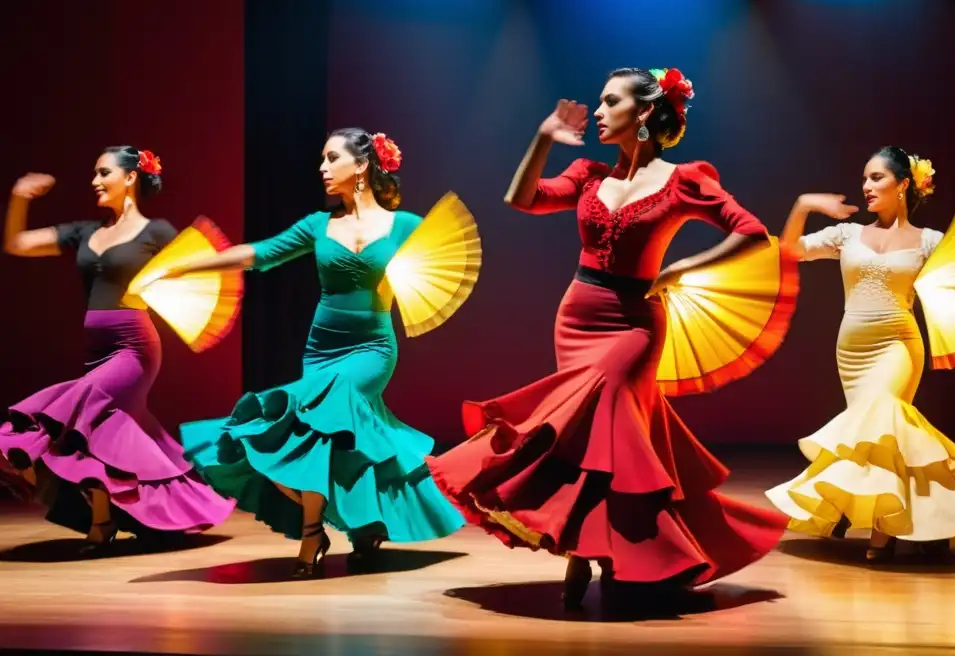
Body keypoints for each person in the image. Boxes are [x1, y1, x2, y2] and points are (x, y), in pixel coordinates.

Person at [427, 68, 789, 611]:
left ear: (643, 112)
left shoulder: (685, 179)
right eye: (597, 102)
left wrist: (685, 266)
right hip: (578, 315)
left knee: (611, 413)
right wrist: (545, 137)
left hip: (636, 324)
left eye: (608, 101)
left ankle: (608, 553)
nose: (597, 111)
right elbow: (521, 198)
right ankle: (586, 547)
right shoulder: (588, 174)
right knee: (589, 440)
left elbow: (752, 230)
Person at [166, 129, 465, 579]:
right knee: (311, 435)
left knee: (336, 413)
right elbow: (260, 254)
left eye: (331, 159)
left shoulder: (406, 227)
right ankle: (360, 526)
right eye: (321, 160)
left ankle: (312, 534)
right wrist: (192, 263)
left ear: (361, 166)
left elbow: (441, 267)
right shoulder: (317, 225)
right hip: (322, 348)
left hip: (372, 350)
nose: (322, 169)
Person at [765, 146, 955, 560]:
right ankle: (899, 519)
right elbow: (788, 251)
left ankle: (884, 532)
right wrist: (805, 204)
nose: (866, 186)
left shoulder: (930, 242)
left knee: (883, 416)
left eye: (876, 177)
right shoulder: (847, 235)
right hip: (852, 352)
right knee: (876, 441)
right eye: (865, 178)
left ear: (903, 186)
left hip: (899, 346)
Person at [0, 147, 234, 554]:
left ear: (130, 178)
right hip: (98, 350)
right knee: (99, 429)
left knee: (84, 413)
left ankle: (103, 523)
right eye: (94, 172)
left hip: (134, 348)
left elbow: (199, 264)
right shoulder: (85, 232)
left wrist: (183, 297)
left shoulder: (156, 232)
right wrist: (20, 196)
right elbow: (18, 243)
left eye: (103, 172)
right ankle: (125, 516)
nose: (94, 180)